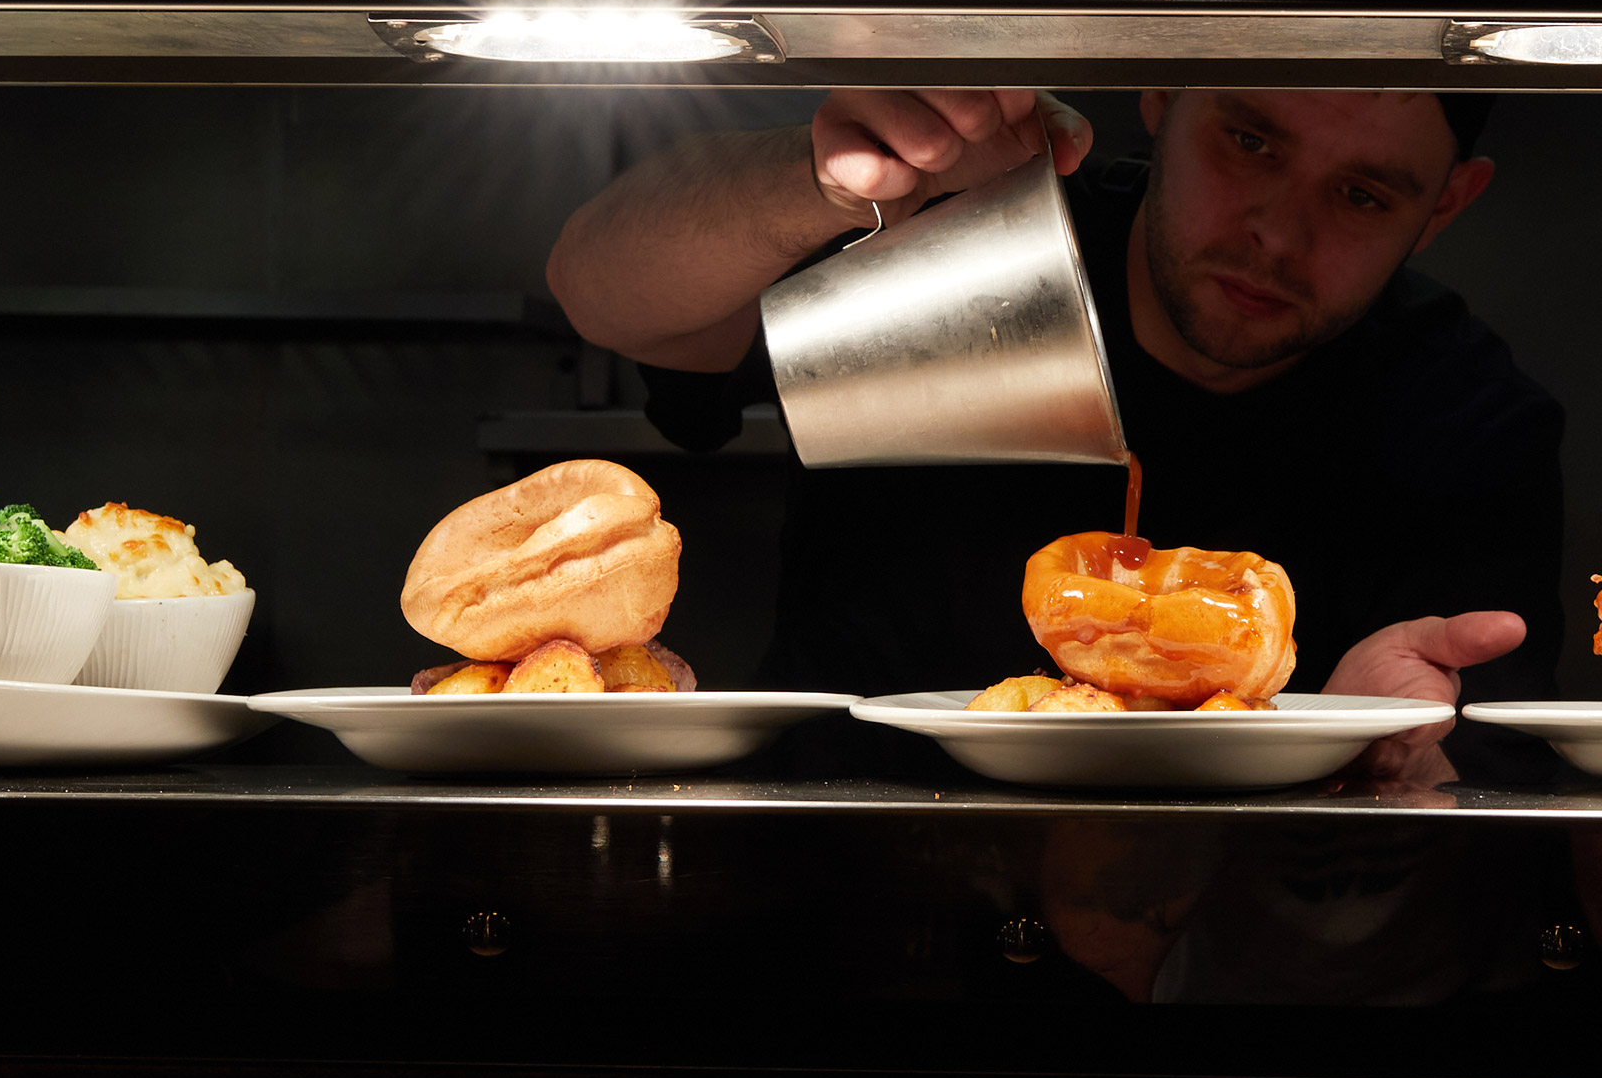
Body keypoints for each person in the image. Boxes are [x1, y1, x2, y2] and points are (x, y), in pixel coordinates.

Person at [547, 88, 1564, 783]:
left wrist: (1382, 745)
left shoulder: (1465, 416)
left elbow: (1479, 786)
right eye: (1249, 142)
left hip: (1223, 965)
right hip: (847, 886)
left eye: (1361, 195)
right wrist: (826, 175)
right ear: (1164, 101)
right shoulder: (972, 238)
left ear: (1443, 208)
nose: (1278, 233)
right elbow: (600, 293)